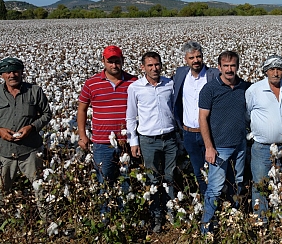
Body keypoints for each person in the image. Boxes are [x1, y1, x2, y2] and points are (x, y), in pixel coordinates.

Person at [198, 50, 251, 233]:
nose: (229, 69)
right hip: (219, 148)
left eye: (233, 65)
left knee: (237, 183)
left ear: (237, 66)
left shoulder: (245, 87)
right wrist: (209, 147)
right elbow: (202, 119)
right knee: (215, 188)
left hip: (240, 146)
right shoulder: (210, 89)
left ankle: (233, 223)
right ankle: (206, 228)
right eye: (226, 66)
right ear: (219, 67)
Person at [126, 51, 177, 233]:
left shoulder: (169, 84)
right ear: (143, 67)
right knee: (153, 179)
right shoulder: (135, 88)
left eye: (157, 65)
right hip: (148, 140)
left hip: (170, 138)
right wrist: (133, 141)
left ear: (161, 65)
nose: (154, 68)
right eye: (150, 65)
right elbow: (131, 116)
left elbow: (175, 109)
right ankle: (156, 216)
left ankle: (171, 211)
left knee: (170, 178)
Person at [78, 46, 137, 190]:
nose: (114, 65)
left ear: (123, 61)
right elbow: (82, 110)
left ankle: (125, 211)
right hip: (102, 144)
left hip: (128, 143)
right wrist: (82, 135)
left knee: (127, 184)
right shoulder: (91, 83)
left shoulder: (134, 82)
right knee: (104, 184)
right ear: (103, 61)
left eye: (117, 61)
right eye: (110, 62)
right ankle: (105, 211)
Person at [0, 57, 52, 219]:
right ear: (2, 75)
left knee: (40, 188)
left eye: (15, 71)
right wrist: (0, 130)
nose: (12, 75)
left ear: (22, 72)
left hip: (30, 150)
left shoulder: (34, 91)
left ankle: (47, 221)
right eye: (8, 72)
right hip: (4, 151)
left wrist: (32, 127)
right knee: (2, 190)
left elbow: (47, 114)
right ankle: (4, 221)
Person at [246, 55, 282, 220]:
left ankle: (281, 220)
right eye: (272, 69)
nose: (276, 72)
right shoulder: (254, 90)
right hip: (262, 148)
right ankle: (262, 222)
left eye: (279, 69)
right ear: (265, 71)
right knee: (261, 186)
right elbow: (246, 114)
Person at [172, 41, 220, 196]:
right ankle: (206, 201)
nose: (196, 60)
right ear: (186, 59)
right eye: (191, 57)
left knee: (214, 171)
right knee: (198, 171)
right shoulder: (180, 75)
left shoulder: (214, 75)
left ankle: (215, 203)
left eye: (198, 56)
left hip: (210, 133)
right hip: (189, 134)